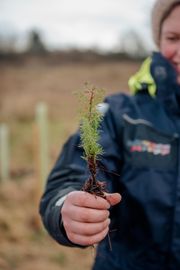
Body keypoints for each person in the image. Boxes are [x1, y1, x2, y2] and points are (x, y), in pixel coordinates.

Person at [39, 0, 180, 269]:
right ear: (158, 41)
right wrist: (67, 205)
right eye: (173, 37)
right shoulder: (118, 115)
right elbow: (73, 174)